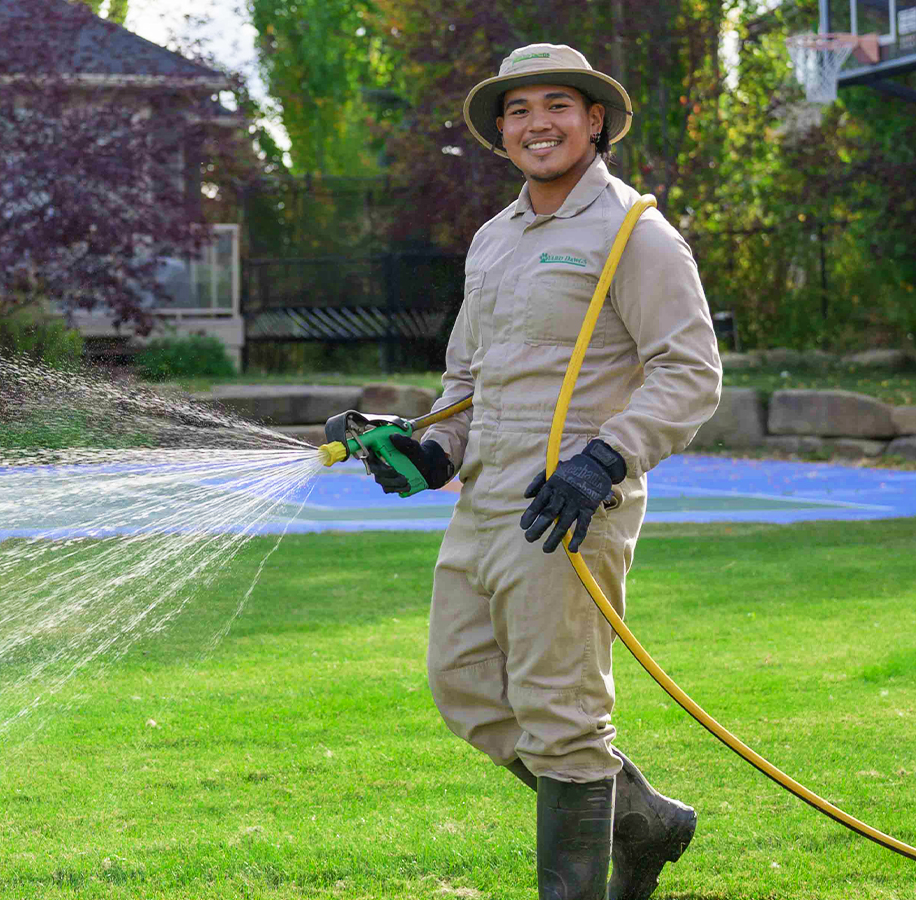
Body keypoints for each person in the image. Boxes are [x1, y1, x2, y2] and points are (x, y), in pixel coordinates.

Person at [355, 44, 723, 900]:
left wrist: (604, 461)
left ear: (594, 121)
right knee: (466, 686)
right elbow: (466, 381)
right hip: (487, 502)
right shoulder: (494, 238)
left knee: (562, 717)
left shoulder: (636, 232)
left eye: (557, 105)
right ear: (502, 133)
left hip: (570, 507)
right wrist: (430, 451)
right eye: (519, 111)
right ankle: (646, 821)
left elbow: (690, 371)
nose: (537, 124)